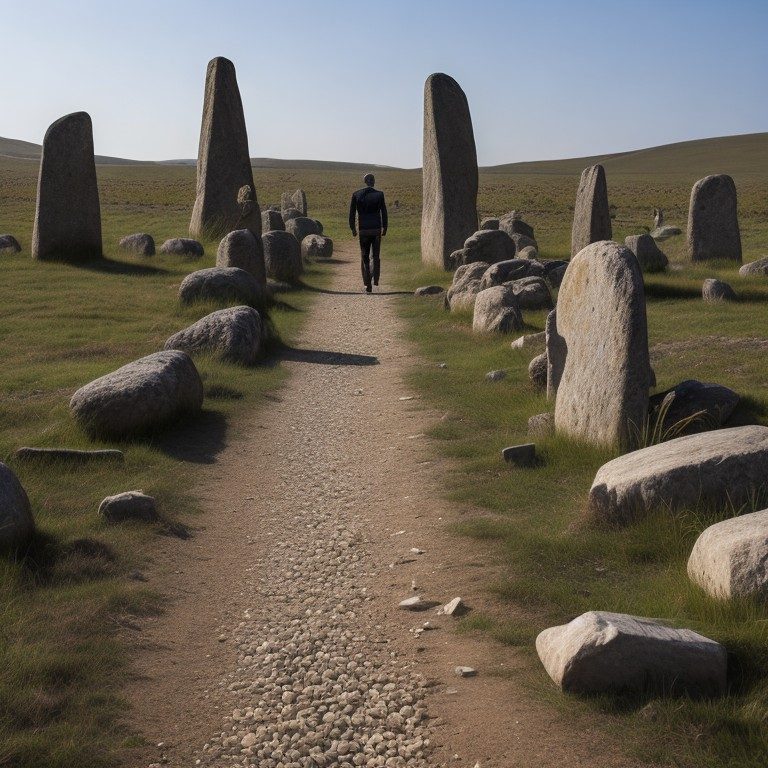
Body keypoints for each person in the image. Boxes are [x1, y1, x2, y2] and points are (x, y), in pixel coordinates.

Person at [349, 173, 388, 293]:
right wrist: (384, 227)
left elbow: (351, 214)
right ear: (373, 182)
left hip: (364, 230)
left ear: (365, 182)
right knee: (375, 256)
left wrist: (353, 229)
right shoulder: (379, 195)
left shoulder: (356, 194)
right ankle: (375, 279)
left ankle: (367, 283)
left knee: (365, 256)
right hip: (376, 230)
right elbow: (384, 212)